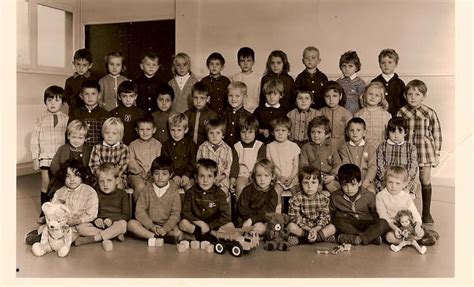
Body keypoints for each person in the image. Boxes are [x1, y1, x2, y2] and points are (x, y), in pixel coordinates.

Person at [397, 79, 442, 224]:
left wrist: (437, 153)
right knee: (405, 180)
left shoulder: (429, 112)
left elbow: (437, 133)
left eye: (417, 94)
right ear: (405, 96)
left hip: (425, 152)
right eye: (410, 94)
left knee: (424, 180)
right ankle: (405, 215)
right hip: (407, 152)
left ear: (423, 96)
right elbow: (397, 131)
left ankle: (426, 213)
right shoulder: (401, 112)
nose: (413, 97)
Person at [30, 85, 69, 224]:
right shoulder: (40, 119)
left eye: (57, 100)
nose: (53, 103)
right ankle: (44, 211)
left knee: (59, 183)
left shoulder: (66, 119)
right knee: (46, 183)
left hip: (60, 158)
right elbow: (34, 139)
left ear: (63, 103)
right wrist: (35, 157)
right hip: (45, 157)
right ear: (45, 101)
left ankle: (59, 211)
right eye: (49, 100)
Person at [128, 156, 184, 245]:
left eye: (164, 174)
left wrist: (165, 228)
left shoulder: (174, 191)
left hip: (166, 226)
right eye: (156, 173)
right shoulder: (147, 189)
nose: (160, 177)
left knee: (177, 232)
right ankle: (155, 237)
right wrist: (152, 227)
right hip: (149, 226)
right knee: (131, 224)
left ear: (171, 175)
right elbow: (139, 211)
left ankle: (157, 236)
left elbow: (176, 214)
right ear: (152, 174)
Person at [329, 164, 390, 245]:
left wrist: (376, 228)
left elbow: (375, 215)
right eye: (344, 185)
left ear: (360, 183)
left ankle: (358, 238)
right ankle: (370, 239)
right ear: (340, 184)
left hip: (366, 223)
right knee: (337, 220)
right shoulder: (335, 196)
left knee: (384, 223)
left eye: (353, 184)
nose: (349, 189)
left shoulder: (368, 195)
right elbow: (330, 214)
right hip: (349, 224)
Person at [74, 163, 130, 250]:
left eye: (109, 180)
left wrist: (111, 220)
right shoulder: (94, 193)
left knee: (123, 224)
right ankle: (112, 235)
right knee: (80, 227)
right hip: (99, 226)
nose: (105, 184)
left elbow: (126, 215)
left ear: (117, 180)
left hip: (115, 223)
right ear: (98, 181)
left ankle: (95, 238)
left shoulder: (122, 194)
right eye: (101, 181)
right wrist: (96, 220)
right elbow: (91, 212)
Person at [178, 159, 234, 241]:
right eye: (202, 176)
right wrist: (200, 223)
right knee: (183, 223)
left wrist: (210, 226)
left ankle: (201, 237)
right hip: (197, 225)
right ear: (196, 177)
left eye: (209, 176)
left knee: (230, 225)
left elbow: (226, 216)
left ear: (215, 178)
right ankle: (207, 238)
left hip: (214, 226)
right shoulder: (190, 192)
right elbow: (186, 213)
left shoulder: (220, 194)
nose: (205, 180)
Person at [287, 166, 336, 245]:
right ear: (301, 183)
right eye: (306, 182)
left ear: (319, 183)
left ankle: (304, 239)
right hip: (303, 228)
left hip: (318, 227)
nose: (309, 186)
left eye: (313, 182)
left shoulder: (323, 198)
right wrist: (309, 230)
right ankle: (318, 238)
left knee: (332, 228)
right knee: (291, 226)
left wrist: (316, 229)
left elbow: (325, 216)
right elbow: (294, 217)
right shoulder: (296, 198)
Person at [376, 166, 424, 246]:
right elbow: (383, 217)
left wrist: (418, 225)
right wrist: (395, 229)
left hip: (406, 225)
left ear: (404, 184)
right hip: (391, 226)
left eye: (397, 183)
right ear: (385, 181)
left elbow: (414, 213)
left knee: (420, 232)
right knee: (389, 237)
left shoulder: (406, 196)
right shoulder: (380, 196)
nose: (393, 186)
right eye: (390, 182)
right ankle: (412, 242)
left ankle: (412, 239)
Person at [47, 120, 92, 200]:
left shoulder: (88, 150)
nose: (76, 140)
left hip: (82, 179)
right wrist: (63, 176)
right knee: (58, 193)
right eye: (74, 137)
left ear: (85, 139)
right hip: (64, 178)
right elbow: (54, 165)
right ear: (68, 136)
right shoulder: (63, 148)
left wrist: (83, 178)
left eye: (80, 138)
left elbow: (89, 166)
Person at [376, 117, 418, 197]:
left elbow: (413, 166)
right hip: (387, 181)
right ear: (388, 132)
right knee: (384, 197)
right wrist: (386, 180)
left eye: (400, 132)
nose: (396, 135)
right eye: (393, 132)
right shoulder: (382, 146)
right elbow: (379, 164)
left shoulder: (411, 148)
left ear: (405, 132)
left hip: (404, 182)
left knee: (404, 198)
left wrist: (406, 180)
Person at [266, 116, 300, 212]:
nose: (280, 133)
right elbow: (271, 165)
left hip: (292, 178)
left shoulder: (293, 146)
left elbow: (296, 166)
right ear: (272, 132)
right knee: (276, 193)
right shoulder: (270, 146)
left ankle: (296, 215)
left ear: (289, 132)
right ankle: (277, 217)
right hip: (278, 178)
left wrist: (291, 177)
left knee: (297, 195)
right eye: (277, 130)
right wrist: (280, 176)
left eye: (283, 130)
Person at [300, 116, 341, 194]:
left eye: (319, 132)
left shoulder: (332, 147)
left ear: (327, 134)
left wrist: (332, 176)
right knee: (315, 188)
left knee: (332, 186)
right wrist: (313, 177)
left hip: (329, 177)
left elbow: (337, 164)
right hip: (313, 178)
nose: (315, 135)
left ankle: (337, 204)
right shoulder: (306, 148)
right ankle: (316, 205)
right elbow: (304, 166)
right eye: (313, 132)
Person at [237, 159, 278, 235]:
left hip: (262, 221)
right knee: (242, 226)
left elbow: (269, 213)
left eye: (266, 175)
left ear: (272, 176)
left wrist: (252, 220)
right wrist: (249, 220)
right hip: (245, 220)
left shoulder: (272, 194)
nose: (262, 179)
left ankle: (252, 233)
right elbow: (242, 208)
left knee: (262, 227)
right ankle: (249, 233)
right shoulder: (248, 190)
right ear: (254, 176)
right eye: (259, 175)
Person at [128, 115, 162, 203]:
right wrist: (138, 171)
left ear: (154, 130)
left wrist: (152, 173)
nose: (145, 132)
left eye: (148, 129)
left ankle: (152, 212)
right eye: (142, 129)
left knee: (154, 186)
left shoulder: (158, 145)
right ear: (137, 130)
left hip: (152, 174)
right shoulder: (133, 145)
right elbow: (131, 161)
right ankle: (139, 211)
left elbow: (159, 161)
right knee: (140, 186)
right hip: (136, 175)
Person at [161, 113, 197, 193]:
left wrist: (187, 175)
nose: (176, 133)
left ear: (186, 130)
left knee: (190, 190)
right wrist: (173, 175)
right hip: (173, 176)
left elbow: (193, 161)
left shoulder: (191, 144)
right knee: (170, 190)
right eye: (173, 130)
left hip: (188, 176)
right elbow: (166, 163)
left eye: (179, 130)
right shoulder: (166, 145)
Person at [338, 117, 377, 193]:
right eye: (351, 130)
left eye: (358, 130)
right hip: (350, 180)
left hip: (366, 179)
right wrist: (351, 182)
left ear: (364, 132)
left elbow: (372, 167)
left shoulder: (370, 148)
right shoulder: (344, 148)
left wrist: (367, 181)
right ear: (347, 132)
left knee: (371, 192)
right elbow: (345, 165)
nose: (355, 133)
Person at [89, 117, 129, 189]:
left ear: (120, 135)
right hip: (100, 177)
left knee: (118, 186)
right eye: (107, 132)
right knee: (98, 186)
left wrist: (112, 178)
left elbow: (122, 167)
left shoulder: (124, 148)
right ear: (103, 133)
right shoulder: (97, 148)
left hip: (118, 177)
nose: (110, 136)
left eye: (114, 133)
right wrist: (103, 177)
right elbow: (93, 165)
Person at [68, 80, 111, 147]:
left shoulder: (106, 114)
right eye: (86, 94)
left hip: (99, 152)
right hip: (81, 151)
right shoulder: (76, 113)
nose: (90, 97)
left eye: (93, 94)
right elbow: (70, 133)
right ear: (81, 96)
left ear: (99, 95)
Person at [196, 119, 234, 195]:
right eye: (211, 133)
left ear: (223, 135)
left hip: (221, 180)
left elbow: (229, 167)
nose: (214, 136)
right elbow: (198, 164)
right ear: (207, 135)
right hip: (205, 178)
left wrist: (221, 177)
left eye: (218, 133)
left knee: (222, 193)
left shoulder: (227, 149)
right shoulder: (202, 147)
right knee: (202, 193)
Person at [233, 115, 266, 198]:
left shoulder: (260, 146)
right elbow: (234, 165)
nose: (246, 135)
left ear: (256, 132)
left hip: (256, 174)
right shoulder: (237, 146)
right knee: (240, 186)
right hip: (242, 175)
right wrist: (232, 178)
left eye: (250, 132)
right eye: (243, 132)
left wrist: (255, 175)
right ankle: (240, 210)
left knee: (259, 188)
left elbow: (261, 163)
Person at [371, 48, 407, 117]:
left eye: (390, 62)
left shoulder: (400, 83)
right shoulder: (375, 82)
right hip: (378, 116)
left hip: (396, 117)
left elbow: (403, 103)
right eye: (383, 62)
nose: (386, 65)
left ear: (396, 64)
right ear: (379, 64)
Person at [355, 82, 392, 147]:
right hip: (364, 149)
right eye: (370, 94)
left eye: (377, 95)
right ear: (365, 95)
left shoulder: (386, 115)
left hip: (381, 149)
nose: (373, 97)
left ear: (381, 98)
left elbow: (389, 134)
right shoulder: (358, 115)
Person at [110, 80, 145, 145]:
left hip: (137, 146)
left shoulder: (141, 113)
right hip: (118, 146)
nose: (128, 100)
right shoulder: (113, 113)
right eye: (124, 96)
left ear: (136, 96)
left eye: (131, 96)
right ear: (119, 97)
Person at [319, 81, 353, 148]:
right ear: (323, 97)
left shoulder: (346, 113)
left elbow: (350, 132)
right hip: (324, 145)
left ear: (340, 96)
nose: (331, 99)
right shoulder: (320, 112)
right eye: (327, 96)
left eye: (334, 96)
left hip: (341, 145)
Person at [254, 78, 287, 144]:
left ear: (281, 95)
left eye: (275, 94)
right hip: (261, 143)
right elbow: (252, 127)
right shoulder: (259, 110)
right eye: (268, 94)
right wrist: (262, 131)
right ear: (264, 94)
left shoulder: (284, 111)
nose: (271, 97)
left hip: (278, 144)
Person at [64, 49, 97, 115]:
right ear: (74, 64)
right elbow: (67, 98)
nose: (81, 68)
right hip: (74, 111)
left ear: (90, 65)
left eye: (84, 65)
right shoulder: (69, 81)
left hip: (89, 111)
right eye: (78, 64)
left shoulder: (94, 79)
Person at [231, 47, 261, 113]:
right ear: (238, 63)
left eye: (249, 60)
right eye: (242, 61)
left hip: (254, 110)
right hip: (239, 110)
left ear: (253, 62)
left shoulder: (259, 78)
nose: (245, 63)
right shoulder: (235, 77)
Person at [223, 81, 251, 146]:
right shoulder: (223, 115)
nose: (233, 99)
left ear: (244, 97)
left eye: (237, 96)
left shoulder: (248, 116)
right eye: (230, 96)